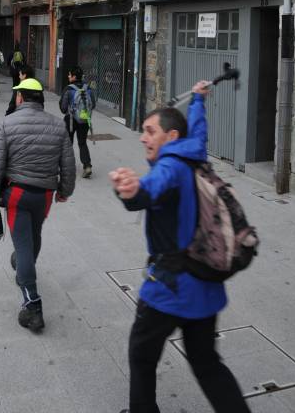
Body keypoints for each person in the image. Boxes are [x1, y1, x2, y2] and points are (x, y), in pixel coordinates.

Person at [110, 82, 251, 413]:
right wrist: (198, 100)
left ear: (171, 137)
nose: (142, 137)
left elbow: (150, 189)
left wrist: (131, 191)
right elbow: (199, 131)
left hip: (170, 287)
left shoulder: (170, 165)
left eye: (150, 131)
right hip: (206, 285)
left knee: (141, 355)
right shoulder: (193, 153)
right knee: (207, 364)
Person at [0, 77, 76, 333]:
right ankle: (24, 267)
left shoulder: (7, 123)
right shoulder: (58, 125)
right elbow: (68, 164)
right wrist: (65, 191)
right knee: (34, 236)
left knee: (23, 247)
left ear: (20, 97)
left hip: (17, 194)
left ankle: (33, 306)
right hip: (44, 195)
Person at [59, 66, 95, 179]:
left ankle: (67, 167)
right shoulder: (88, 88)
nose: (68, 76)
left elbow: (63, 108)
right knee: (82, 143)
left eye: (70, 75)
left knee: (68, 143)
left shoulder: (68, 89)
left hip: (70, 120)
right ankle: (87, 166)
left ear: (74, 77)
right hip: (85, 120)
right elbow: (93, 105)